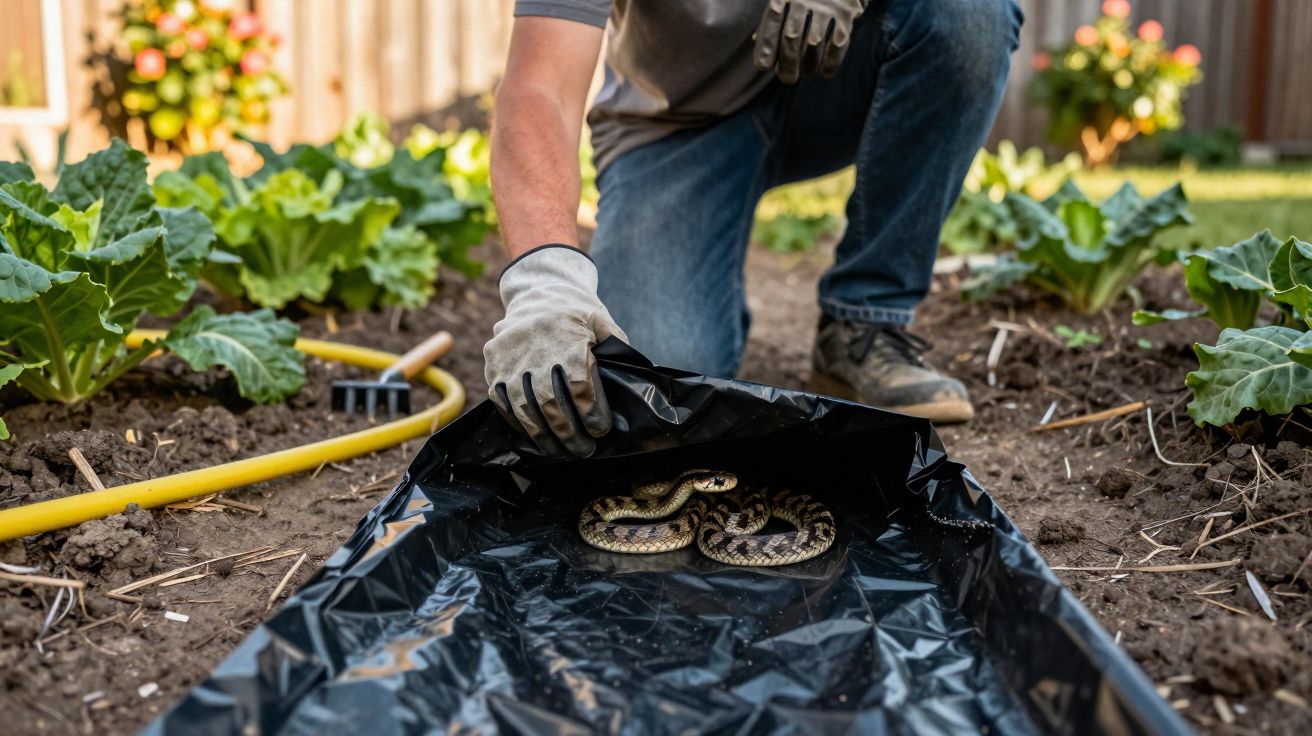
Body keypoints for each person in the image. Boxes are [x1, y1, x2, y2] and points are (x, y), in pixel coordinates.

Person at [484, 0, 1023, 457]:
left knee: (969, 15)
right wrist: (544, 280)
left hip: (830, 73)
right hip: (678, 124)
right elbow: (541, 89)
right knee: (654, 392)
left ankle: (865, 323)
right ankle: (704, 284)